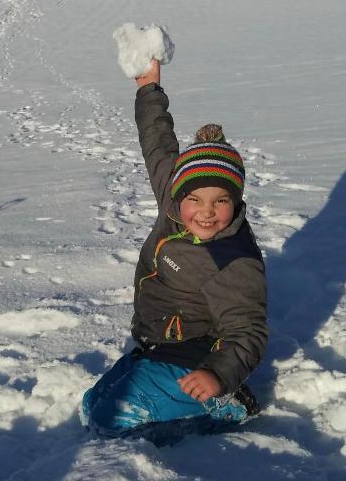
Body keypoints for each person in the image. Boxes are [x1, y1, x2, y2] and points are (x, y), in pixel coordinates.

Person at [80, 59, 268, 442]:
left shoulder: (234, 259)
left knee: (110, 423)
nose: (206, 212)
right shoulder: (172, 199)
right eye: (195, 198)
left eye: (221, 200)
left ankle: (229, 403)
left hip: (198, 353)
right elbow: (157, 143)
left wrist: (217, 374)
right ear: (179, 193)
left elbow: (247, 329)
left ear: (237, 200)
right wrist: (149, 87)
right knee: (91, 405)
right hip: (157, 343)